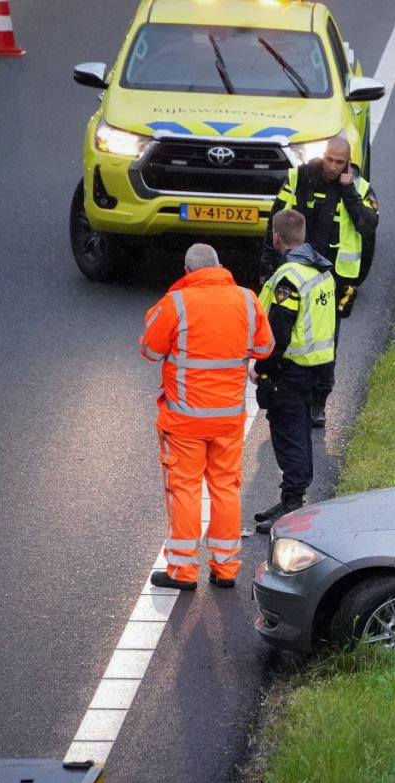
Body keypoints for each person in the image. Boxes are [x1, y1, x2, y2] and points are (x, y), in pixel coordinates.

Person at [140, 243, 274, 590]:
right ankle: (225, 569)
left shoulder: (176, 304)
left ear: (187, 273)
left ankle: (182, 572)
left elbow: (149, 349)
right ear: (220, 267)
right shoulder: (247, 300)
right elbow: (264, 348)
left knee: (184, 490)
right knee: (225, 490)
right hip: (228, 420)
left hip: (184, 421)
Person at [261, 136, 378, 428]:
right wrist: (266, 270)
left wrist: (348, 190)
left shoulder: (359, 188)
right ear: (323, 156)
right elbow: (273, 225)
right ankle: (281, 394)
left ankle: (318, 403)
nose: (333, 167)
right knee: (282, 335)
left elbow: (367, 226)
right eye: (330, 160)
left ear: (348, 163)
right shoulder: (298, 178)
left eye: (340, 163)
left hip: (332, 283)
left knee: (325, 346)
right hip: (293, 276)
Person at [252, 209, 338, 533]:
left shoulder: (289, 277)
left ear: (277, 237)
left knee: (288, 435)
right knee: (300, 430)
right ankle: (291, 496)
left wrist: (262, 368)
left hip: (291, 368)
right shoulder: (321, 269)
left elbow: (279, 332)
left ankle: (292, 503)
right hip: (317, 367)